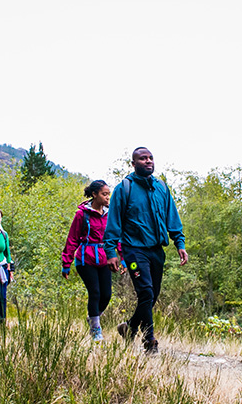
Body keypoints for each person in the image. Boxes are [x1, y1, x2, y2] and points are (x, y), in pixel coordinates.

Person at [104, 147, 188, 354]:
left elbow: (172, 217)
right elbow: (113, 222)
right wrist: (111, 252)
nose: (148, 161)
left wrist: (179, 243)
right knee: (146, 291)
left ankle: (130, 327)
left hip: (156, 250)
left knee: (152, 295)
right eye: (143, 158)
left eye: (150, 158)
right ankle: (149, 340)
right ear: (133, 163)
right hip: (133, 250)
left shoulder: (161, 188)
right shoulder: (124, 188)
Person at [61, 180, 117, 341]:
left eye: (108, 194)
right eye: (104, 194)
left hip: (105, 258)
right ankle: (96, 330)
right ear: (94, 194)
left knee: (106, 294)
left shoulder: (109, 214)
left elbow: (115, 237)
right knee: (95, 292)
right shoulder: (82, 214)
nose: (107, 198)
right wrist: (66, 263)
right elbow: (72, 239)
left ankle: (93, 317)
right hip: (86, 259)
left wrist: (122, 257)